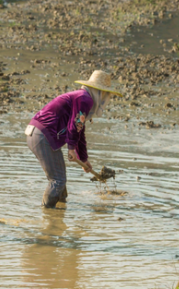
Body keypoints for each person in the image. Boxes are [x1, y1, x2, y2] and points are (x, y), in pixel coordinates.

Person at [26, 70, 122, 208]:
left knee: (60, 181)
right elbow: (75, 124)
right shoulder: (85, 99)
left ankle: (59, 212)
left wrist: (83, 158)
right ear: (99, 92)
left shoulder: (82, 97)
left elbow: (79, 129)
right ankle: (49, 217)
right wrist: (71, 148)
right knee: (57, 180)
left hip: (37, 134)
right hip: (41, 135)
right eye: (106, 95)